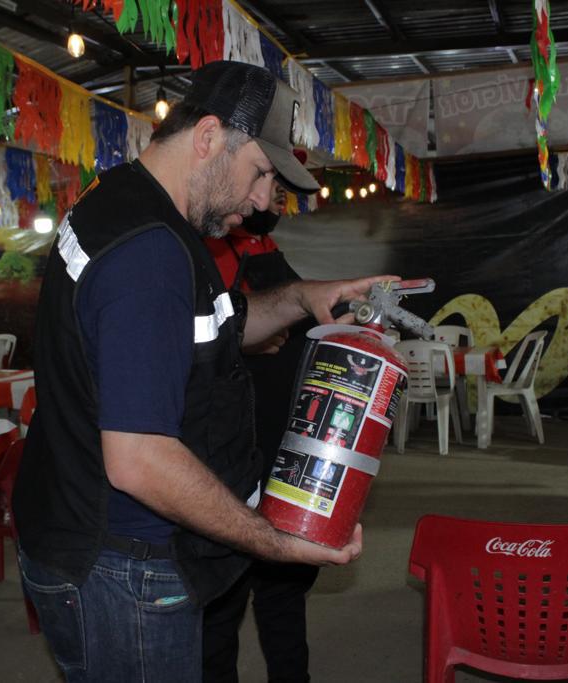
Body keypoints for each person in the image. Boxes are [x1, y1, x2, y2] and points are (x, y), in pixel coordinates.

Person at [13, 60, 391, 683]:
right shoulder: (150, 253)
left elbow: (211, 328)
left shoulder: (125, 201)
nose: (264, 199)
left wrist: (302, 297)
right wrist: (272, 540)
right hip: (123, 565)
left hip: (79, 532)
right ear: (210, 137)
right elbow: (138, 459)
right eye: (262, 173)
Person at [202, 175, 319, 683]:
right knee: (219, 609)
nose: (275, 198)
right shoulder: (203, 255)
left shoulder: (267, 247)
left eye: (281, 190)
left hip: (280, 453)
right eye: (268, 183)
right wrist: (241, 342)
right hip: (226, 458)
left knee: (284, 597)